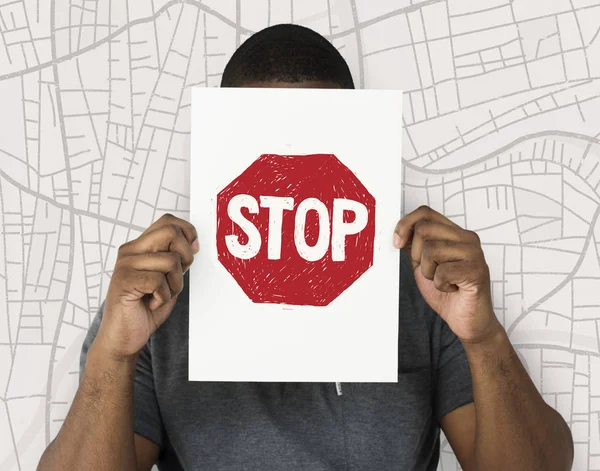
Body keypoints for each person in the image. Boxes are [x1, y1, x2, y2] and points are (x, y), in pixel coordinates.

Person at [38, 24, 574, 471]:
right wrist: (114, 353)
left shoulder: (428, 287)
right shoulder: (156, 297)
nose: (290, 174)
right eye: (262, 139)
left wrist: (483, 338)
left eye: (317, 136)